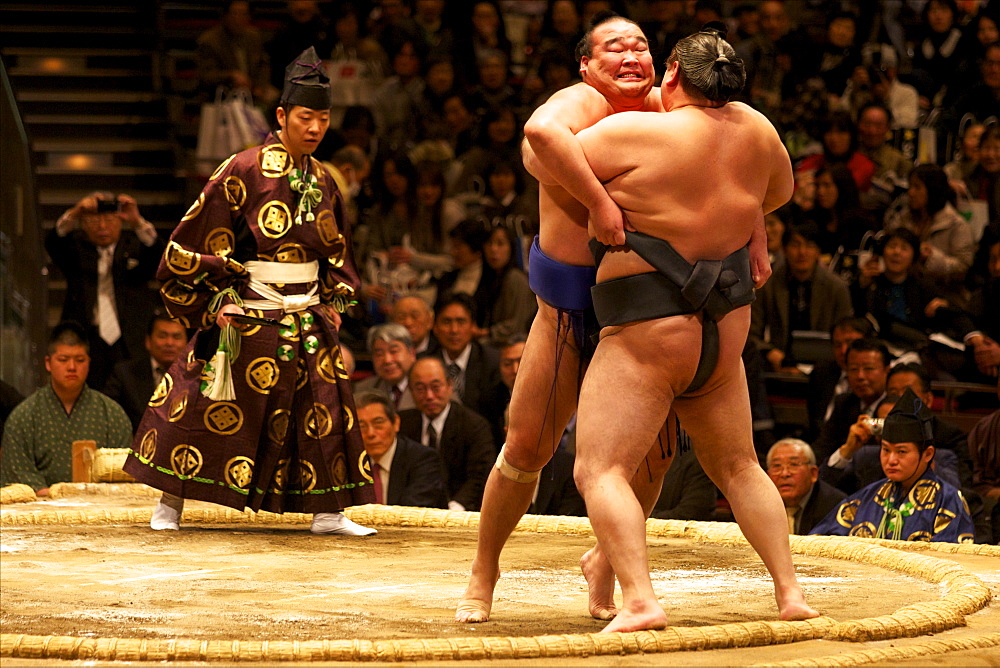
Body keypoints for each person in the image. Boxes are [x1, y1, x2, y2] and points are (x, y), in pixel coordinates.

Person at [571, 24, 817, 632]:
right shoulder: (758, 130)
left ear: (672, 73)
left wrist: (603, 198)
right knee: (739, 465)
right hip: (724, 331)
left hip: (648, 332)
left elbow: (544, 152)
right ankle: (789, 592)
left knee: (598, 470)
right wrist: (742, 218)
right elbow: (778, 190)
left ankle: (640, 599)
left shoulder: (636, 131)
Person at [456, 13, 681, 625]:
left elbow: (735, 148)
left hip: (642, 315)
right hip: (568, 311)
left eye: (641, 44)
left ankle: (605, 563)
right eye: (615, 47)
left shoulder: (671, 110)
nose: (631, 54)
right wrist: (600, 202)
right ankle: (485, 570)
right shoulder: (578, 100)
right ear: (587, 65)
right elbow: (540, 134)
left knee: (651, 458)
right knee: (526, 446)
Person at [121, 47, 376, 537]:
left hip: (306, 313)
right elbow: (191, 242)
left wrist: (335, 301)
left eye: (323, 118)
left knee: (321, 405)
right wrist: (217, 301)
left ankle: (328, 513)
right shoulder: (240, 168)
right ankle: (169, 502)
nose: (316, 128)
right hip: (248, 311)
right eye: (306, 117)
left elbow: (339, 254)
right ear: (282, 116)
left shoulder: (326, 179)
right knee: (201, 402)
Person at [810, 388, 975, 543]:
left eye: (901, 452)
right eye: (886, 450)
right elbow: (819, 541)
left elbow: (951, 560)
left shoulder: (949, 501)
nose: (891, 460)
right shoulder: (866, 497)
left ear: (927, 454)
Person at [45, 191, 165, 391]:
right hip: (87, 336)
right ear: (84, 225)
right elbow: (54, 242)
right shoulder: (76, 250)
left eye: (109, 220)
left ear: (120, 222)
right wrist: (76, 212)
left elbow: (159, 255)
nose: (102, 227)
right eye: (93, 221)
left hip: (129, 338)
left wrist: (137, 221)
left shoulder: (134, 246)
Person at [1, 322, 132, 494]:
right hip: (42, 511)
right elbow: (17, 472)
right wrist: (55, 496)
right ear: (48, 363)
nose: (72, 367)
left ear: (89, 363)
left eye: (80, 360)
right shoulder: (23, 416)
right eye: (63, 360)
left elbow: (122, 470)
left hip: (101, 509)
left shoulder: (113, 414)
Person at [749, 222, 853, 375]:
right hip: (779, 362)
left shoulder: (836, 287)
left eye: (809, 246)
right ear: (784, 249)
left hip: (826, 365)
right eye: (795, 245)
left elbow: (846, 335)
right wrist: (771, 354)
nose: (802, 252)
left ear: (818, 251)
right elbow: (752, 333)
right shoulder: (768, 285)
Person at [398, 357, 495, 511]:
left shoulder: (474, 425)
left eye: (436, 387)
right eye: (421, 388)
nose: (429, 396)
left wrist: (455, 507)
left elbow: (480, 476)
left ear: (450, 385)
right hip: (413, 509)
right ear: (410, 390)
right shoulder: (402, 423)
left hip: (459, 509)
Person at [354, 390, 448, 508]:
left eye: (378, 423)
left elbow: (410, 512)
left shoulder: (423, 460)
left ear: (396, 423)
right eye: (361, 427)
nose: (371, 433)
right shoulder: (351, 462)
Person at [103, 315, 189, 432]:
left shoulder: (197, 376)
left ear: (187, 343)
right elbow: (107, 415)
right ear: (148, 341)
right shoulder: (124, 373)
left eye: (176, 337)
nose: (169, 342)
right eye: (162, 336)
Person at [430, 293, 500, 419]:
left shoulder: (493, 362)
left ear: (473, 326)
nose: (454, 330)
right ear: (435, 327)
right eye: (446, 322)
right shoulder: (426, 362)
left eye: (461, 322)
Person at [196, 0, 279, 106]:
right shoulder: (209, 41)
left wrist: (259, 86)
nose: (239, 19)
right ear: (225, 15)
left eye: (244, 14)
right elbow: (206, 76)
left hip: (252, 91)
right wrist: (231, 76)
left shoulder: (253, 36)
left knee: (279, 98)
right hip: (222, 95)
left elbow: (263, 65)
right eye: (235, 13)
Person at [765, 438, 846, 535]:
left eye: (793, 464)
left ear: (813, 474)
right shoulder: (759, 505)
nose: (784, 473)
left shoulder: (835, 507)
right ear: (767, 475)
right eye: (777, 466)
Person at [353, 323, 417, 411]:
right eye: (379, 354)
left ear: (412, 354)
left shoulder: (425, 388)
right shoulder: (363, 389)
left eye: (394, 351)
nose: (387, 360)